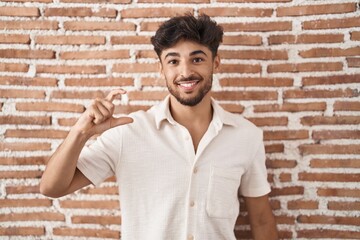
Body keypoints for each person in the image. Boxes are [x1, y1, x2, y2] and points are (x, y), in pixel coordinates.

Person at [40, 14, 278, 240]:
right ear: (161, 68)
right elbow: (51, 187)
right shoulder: (128, 132)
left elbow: (261, 220)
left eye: (197, 59)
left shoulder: (247, 136)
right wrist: (81, 133)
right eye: (173, 61)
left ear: (215, 63)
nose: (185, 72)